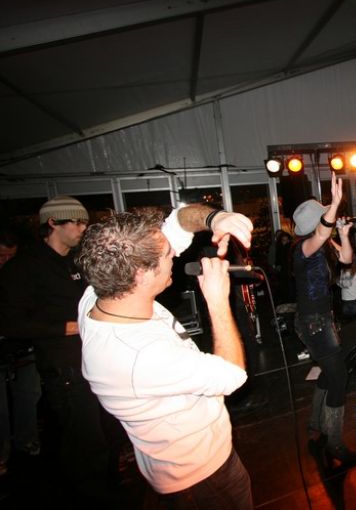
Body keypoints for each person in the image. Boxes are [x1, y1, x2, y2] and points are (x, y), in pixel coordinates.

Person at [75, 204, 254, 508]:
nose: (175, 255)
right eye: (168, 255)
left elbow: (179, 221)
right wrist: (217, 301)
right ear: (142, 274)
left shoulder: (99, 292)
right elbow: (233, 374)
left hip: (186, 466)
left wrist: (216, 219)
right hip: (201, 476)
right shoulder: (140, 356)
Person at [0, 195, 121, 505]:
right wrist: (71, 326)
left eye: (84, 222)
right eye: (77, 223)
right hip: (65, 369)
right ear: (52, 223)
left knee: (109, 436)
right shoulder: (24, 267)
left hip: (99, 363)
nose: (83, 228)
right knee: (85, 444)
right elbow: (11, 324)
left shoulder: (77, 260)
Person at [290, 172, 356, 467]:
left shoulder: (324, 244)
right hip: (313, 322)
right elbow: (320, 233)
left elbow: (347, 260)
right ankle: (334, 441)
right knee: (338, 377)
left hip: (321, 320)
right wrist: (335, 202)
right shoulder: (303, 248)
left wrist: (343, 234)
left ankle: (316, 425)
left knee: (329, 373)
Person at [0, 229, 41, 476]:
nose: (6, 261)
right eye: (1, 256)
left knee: (29, 394)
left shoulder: (19, 275)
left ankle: (26, 440)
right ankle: (2, 452)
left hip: (22, 345)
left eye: (10, 256)